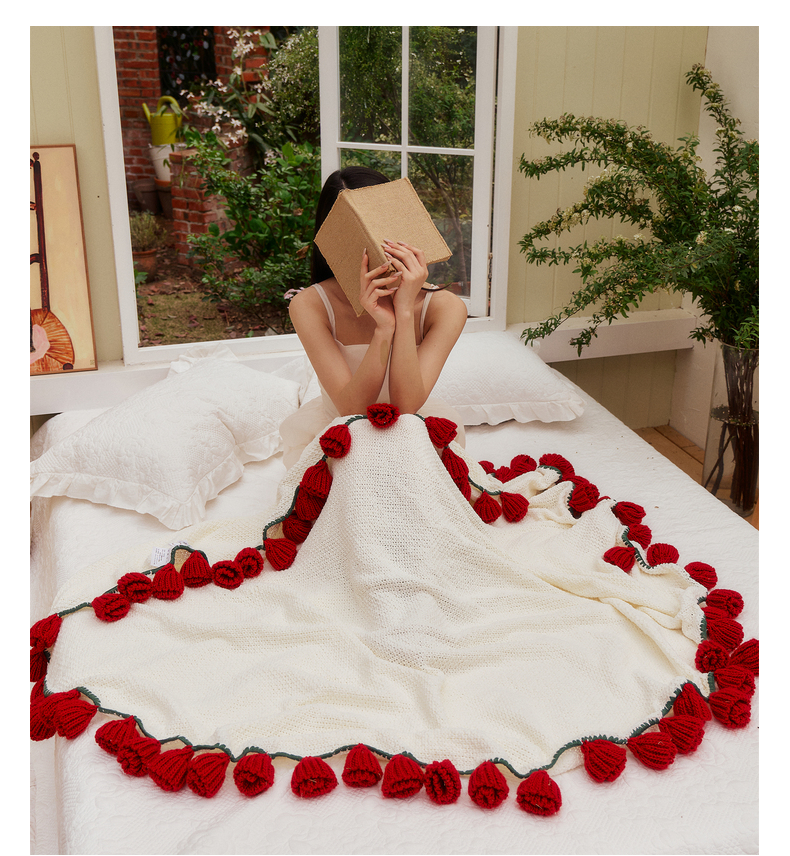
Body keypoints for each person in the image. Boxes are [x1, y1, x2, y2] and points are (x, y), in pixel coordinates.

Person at [281, 167, 468, 467]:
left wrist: (403, 312)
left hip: (413, 436)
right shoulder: (309, 305)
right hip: (341, 438)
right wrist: (384, 327)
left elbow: (406, 406)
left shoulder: (445, 308)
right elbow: (351, 409)